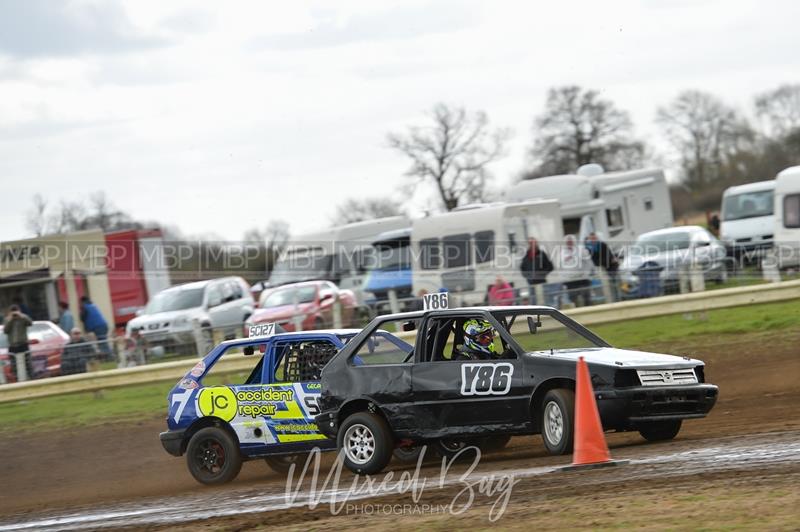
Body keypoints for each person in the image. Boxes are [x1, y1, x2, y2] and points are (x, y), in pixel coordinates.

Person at [555, 234, 595, 307]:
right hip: (570, 282)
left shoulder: (581, 250)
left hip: (583, 280)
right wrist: (563, 279)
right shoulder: (561, 254)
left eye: (571, 241)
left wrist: (588, 273)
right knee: (573, 300)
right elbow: (559, 268)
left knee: (587, 298)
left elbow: (589, 262)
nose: (569, 242)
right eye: (568, 241)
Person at [585, 233, 619, 301]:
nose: (593, 240)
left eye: (594, 238)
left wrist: (604, 262)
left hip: (609, 267)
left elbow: (609, 256)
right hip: (601, 268)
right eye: (592, 239)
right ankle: (610, 299)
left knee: (614, 283)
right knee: (605, 286)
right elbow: (593, 260)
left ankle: (616, 297)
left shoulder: (602, 245)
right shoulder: (589, 248)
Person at [520, 238, 553, 304]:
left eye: (533, 243)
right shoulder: (526, 256)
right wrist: (528, 276)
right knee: (533, 302)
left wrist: (541, 274)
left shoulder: (542, 254)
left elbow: (550, 267)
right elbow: (522, 269)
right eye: (530, 243)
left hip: (542, 283)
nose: (532, 245)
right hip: (531, 284)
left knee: (546, 300)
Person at [4, 305, 33, 381]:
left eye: (15, 311)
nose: (15, 314)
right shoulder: (7, 319)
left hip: (23, 344)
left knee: (28, 364)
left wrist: (21, 316)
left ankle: (31, 379)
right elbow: (5, 331)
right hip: (13, 346)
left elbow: (30, 323)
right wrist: (10, 320)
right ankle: (17, 380)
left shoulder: (23, 318)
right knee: (14, 366)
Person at [80, 296, 110, 361]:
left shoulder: (85, 307)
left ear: (82, 302)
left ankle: (108, 359)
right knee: (103, 342)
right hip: (103, 325)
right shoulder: (92, 305)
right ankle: (107, 358)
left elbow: (82, 318)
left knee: (102, 344)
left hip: (98, 327)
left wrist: (87, 330)